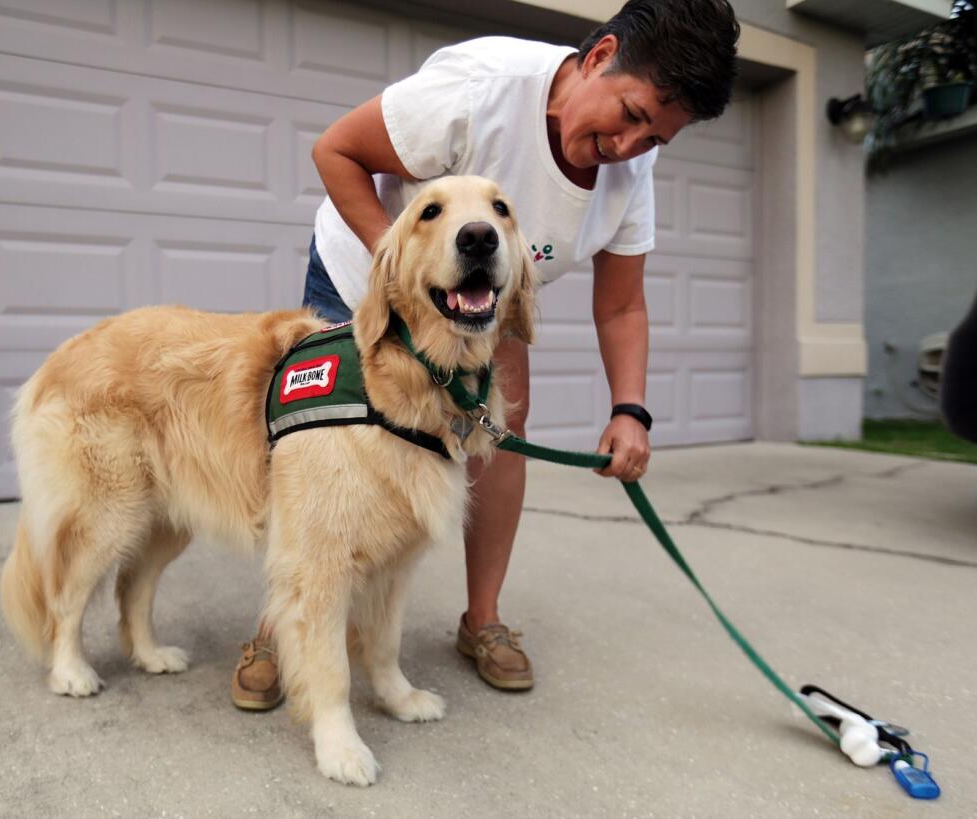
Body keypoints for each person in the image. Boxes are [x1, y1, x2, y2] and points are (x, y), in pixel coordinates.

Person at [231, 0, 740, 710]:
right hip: (368, 270)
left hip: (482, 305)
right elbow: (335, 151)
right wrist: (397, 278)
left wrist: (631, 410)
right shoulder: (480, 91)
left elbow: (622, 304)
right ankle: (275, 623)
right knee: (321, 447)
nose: (631, 145)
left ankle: (483, 619)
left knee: (500, 436)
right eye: (630, 113)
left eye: (656, 136)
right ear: (598, 58)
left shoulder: (631, 170)